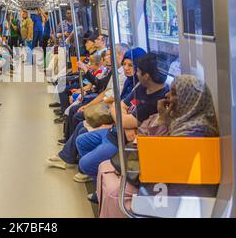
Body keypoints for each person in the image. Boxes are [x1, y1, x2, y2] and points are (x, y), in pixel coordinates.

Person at [98, 75, 219, 218]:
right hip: (166, 176)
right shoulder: (182, 120)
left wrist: (161, 119)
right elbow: (148, 137)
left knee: (115, 194)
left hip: (178, 191)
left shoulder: (195, 132)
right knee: (105, 167)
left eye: (173, 92)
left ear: (188, 98)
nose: (167, 95)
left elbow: (158, 154)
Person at [75, 53, 169, 201]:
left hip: (121, 142)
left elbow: (121, 112)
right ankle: (99, 184)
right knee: (81, 141)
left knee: (84, 164)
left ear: (146, 76)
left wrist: (122, 119)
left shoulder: (157, 100)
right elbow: (119, 106)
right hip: (115, 131)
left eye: (138, 70)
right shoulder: (142, 87)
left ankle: (101, 192)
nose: (135, 72)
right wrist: (124, 122)